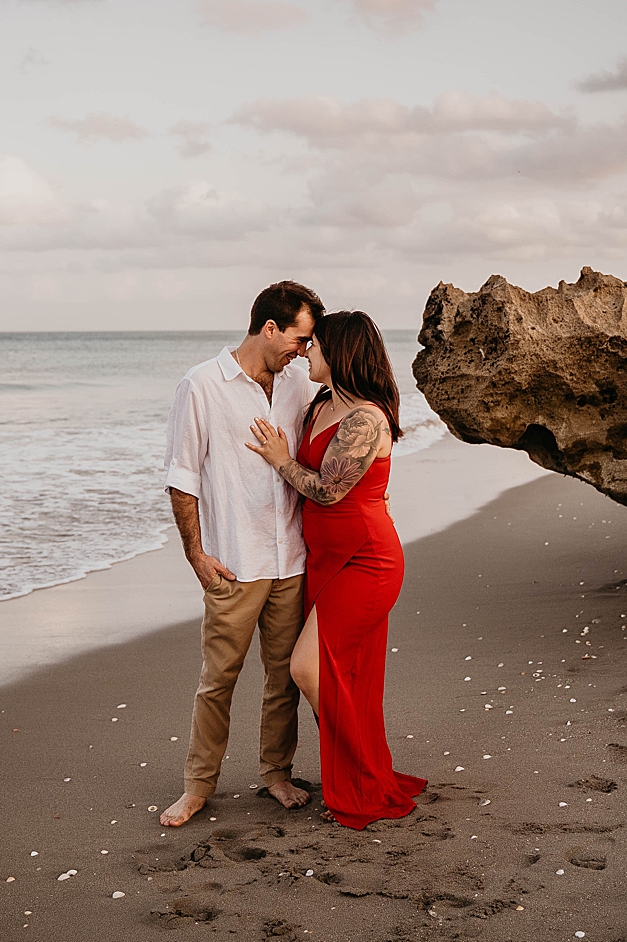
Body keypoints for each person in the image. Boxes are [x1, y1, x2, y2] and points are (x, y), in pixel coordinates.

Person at [245, 310, 426, 829]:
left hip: (367, 560)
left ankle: (365, 770)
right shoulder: (323, 403)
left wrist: (281, 461)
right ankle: (359, 767)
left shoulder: (366, 418)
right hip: (323, 559)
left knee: (307, 668)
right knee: (343, 674)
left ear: (340, 352)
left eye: (315, 345)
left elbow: (328, 489)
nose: (307, 353)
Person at [158, 281, 325, 828]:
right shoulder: (202, 385)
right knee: (218, 680)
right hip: (233, 561)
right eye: (299, 339)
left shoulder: (299, 384)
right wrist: (196, 554)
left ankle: (276, 773)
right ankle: (197, 786)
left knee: (283, 678)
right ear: (270, 328)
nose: (303, 351)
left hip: (292, 559)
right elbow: (182, 478)